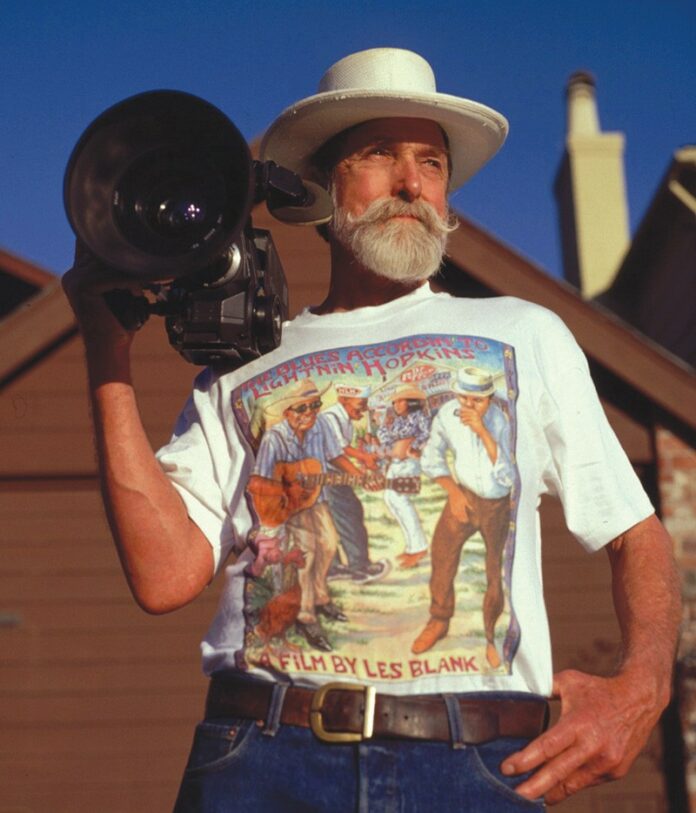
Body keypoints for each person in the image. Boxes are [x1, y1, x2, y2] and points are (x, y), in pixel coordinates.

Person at [63, 47, 681, 811]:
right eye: (381, 154)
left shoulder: (527, 333)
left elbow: (636, 534)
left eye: (432, 162)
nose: (411, 182)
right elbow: (163, 577)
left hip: (474, 762)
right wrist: (107, 351)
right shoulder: (245, 363)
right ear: (325, 187)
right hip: (263, 757)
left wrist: (642, 688)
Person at [414, 366, 514, 668]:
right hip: (464, 494)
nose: (469, 406)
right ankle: (439, 620)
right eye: (464, 398)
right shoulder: (447, 414)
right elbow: (431, 457)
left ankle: (491, 638)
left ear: (489, 399)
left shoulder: (501, 421)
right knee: (442, 551)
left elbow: (508, 476)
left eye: (478, 401)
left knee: (494, 569)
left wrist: (482, 431)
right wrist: (453, 493)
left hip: (496, 503)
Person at [322, 384, 390, 584]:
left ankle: (332, 568)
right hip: (324, 475)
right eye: (361, 403)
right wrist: (362, 476)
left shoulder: (343, 419)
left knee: (329, 520)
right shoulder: (331, 418)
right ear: (343, 400)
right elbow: (336, 454)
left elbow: (343, 448)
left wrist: (364, 457)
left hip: (327, 473)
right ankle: (359, 568)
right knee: (347, 513)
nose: (364, 408)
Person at [376, 384, 431, 567]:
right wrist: (382, 426)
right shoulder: (398, 421)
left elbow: (427, 434)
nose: (396, 405)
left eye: (400, 401)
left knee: (399, 499)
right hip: (396, 462)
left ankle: (418, 547)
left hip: (408, 462)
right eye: (395, 402)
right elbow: (386, 438)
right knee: (390, 498)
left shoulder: (419, 417)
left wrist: (414, 447)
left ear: (411, 402)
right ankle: (411, 546)